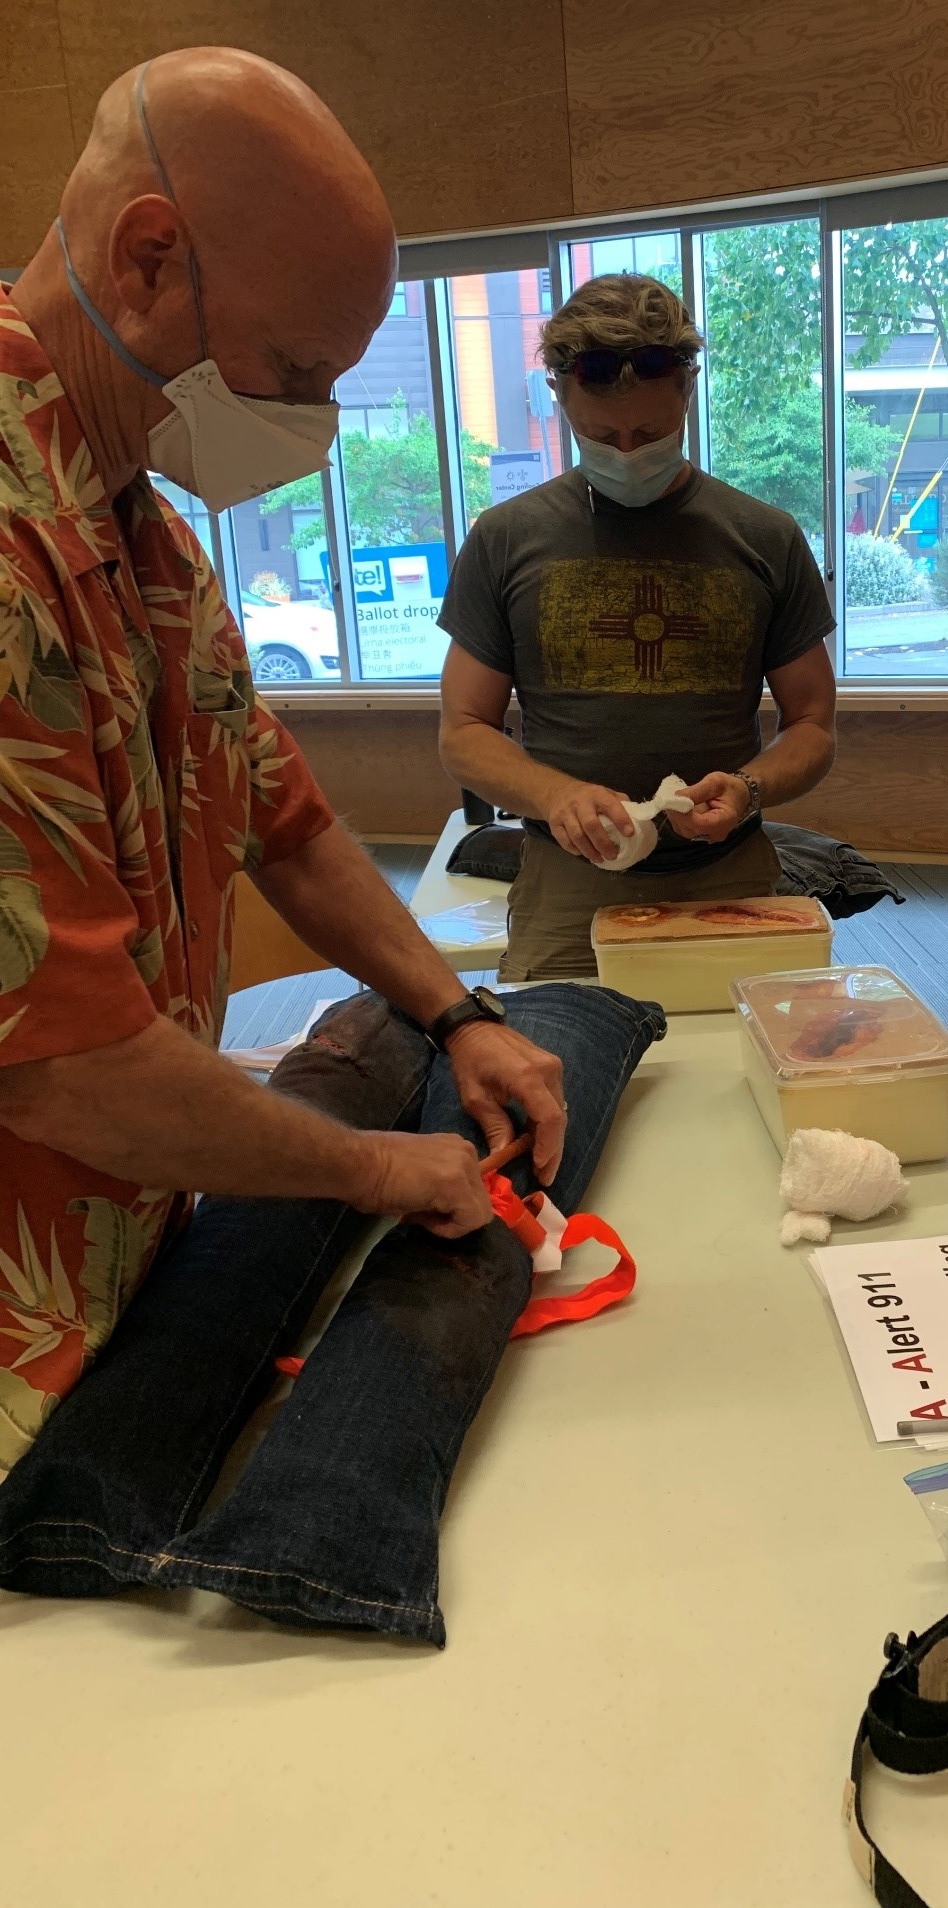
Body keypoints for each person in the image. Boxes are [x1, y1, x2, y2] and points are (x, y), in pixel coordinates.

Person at [0, 54, 567, 1490]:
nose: (308, 430)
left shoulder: (140, 528)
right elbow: (59, 1072)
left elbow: (279, 816)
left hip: (129, 1250)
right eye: (298, 373)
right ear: (148, 259)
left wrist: (454, 1017)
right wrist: (380, 1167)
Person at [437, 273, 838, 981]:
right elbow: (464, 731)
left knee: (743, 1068)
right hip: (570, 885)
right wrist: (556, 796)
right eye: (599, 434)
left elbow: (811, 725)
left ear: (685, 391)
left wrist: (748, 789)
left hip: (727, 872)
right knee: (554, 1068)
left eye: (651, 433)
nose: (625, 452)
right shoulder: (505, 538)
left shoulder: (764, 537)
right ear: (558, 397)